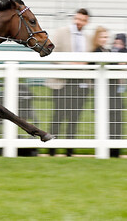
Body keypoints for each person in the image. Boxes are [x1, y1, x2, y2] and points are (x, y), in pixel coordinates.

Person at [47, 8, 90, 157]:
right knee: (58, 116)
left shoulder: (87, 38)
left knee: (74, 117)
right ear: (74, 18)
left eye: (82, 20)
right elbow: (52, 53)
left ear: (86, 21)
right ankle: (52, 149)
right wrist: (71, 64)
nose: (79, 22)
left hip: (80, 83)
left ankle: (69, 150)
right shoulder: (61, 32)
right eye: (77, 19)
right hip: (62, 81)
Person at [110, 33, 127, 158]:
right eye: (116, 43)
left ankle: (116, 150)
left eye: (120, 43)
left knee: (117, 122)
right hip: (111, 92)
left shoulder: (126, 53)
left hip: (118, 93)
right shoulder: (111, 53)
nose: (117, 45)